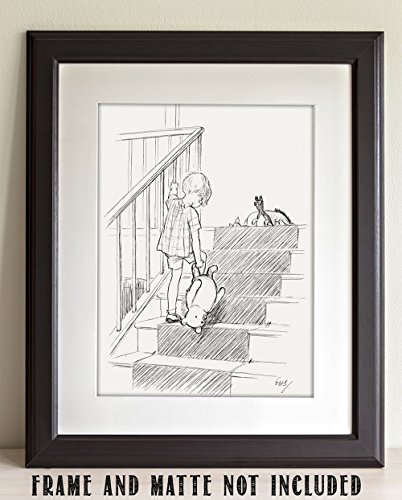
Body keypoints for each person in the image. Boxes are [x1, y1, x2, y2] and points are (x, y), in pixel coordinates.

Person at [157, 172, 212, 323]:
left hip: (171, 250)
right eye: (201, 199)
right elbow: (195, 240)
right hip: (185, 250)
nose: (200, 203)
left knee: (175, 278)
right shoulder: (192, 213)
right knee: (202, 259)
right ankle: (196, 295)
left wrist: (173, 188)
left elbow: (171, 197)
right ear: (195, 193)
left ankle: (171, 312)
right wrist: (198, 260)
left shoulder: (174, 204)